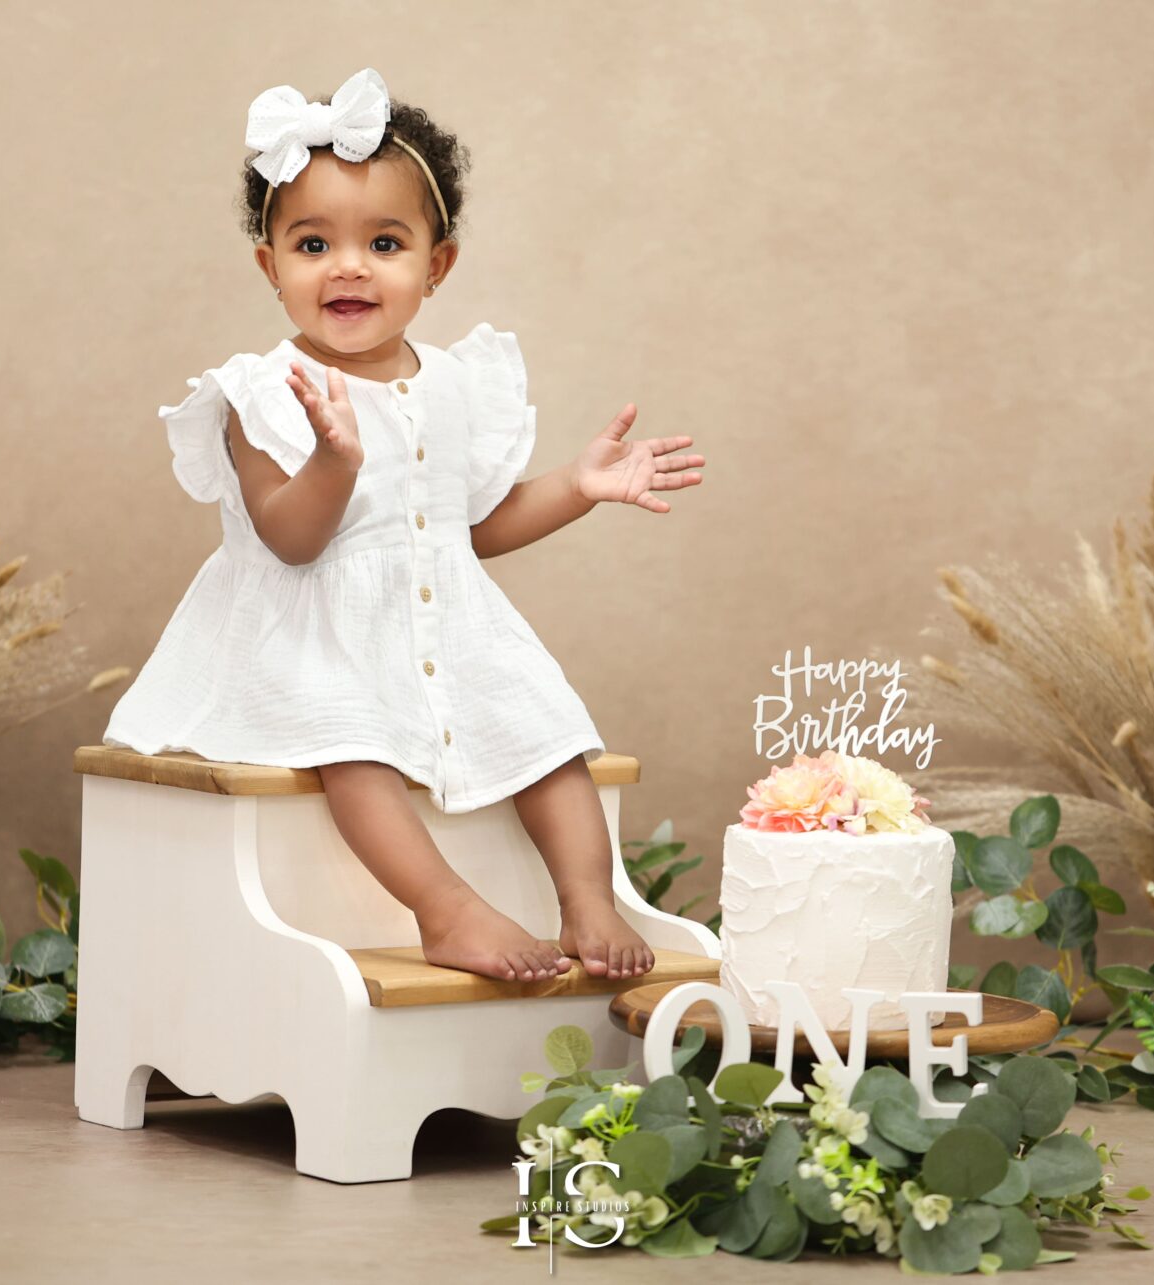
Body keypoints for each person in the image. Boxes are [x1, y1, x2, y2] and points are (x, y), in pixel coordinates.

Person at [103, 68, 705, 984]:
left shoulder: (457, 382)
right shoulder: (261, 393)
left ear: (437, 263)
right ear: (271, 267)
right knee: (351, 744)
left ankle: (586, 896)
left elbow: (474, 528)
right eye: (312, 243)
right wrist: (335, 462)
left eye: (384, 241)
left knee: (549, 734)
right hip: (311, 635)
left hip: (441, 624)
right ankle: (445, 905)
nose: (348, 265)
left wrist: (577, 487)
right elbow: (290, 538)